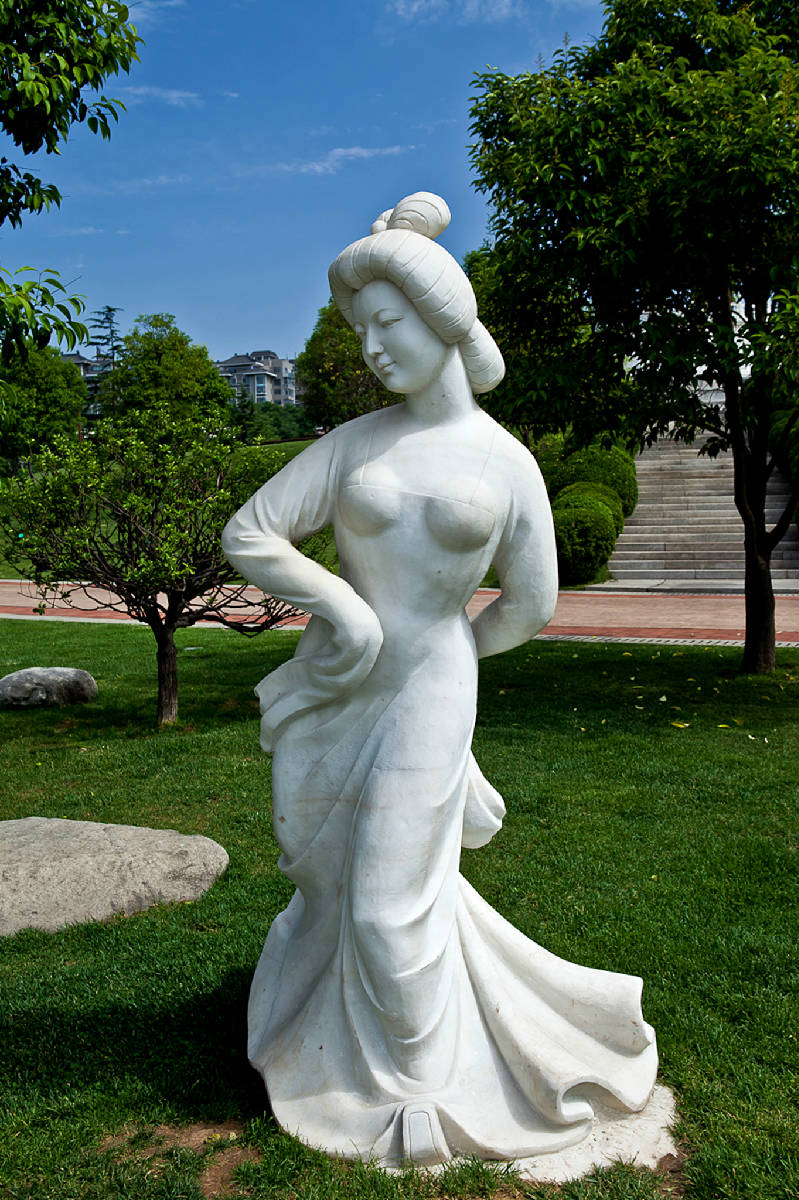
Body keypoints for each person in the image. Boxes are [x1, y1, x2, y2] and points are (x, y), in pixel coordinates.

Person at [221, 192, 658, 1167]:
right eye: (362, 331)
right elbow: (250, 532)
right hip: (340, 683)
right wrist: (344, 609)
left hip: (430, 688)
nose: (373, 348)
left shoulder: (505, 463)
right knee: (333, 880)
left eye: (389, 324)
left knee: (387, 903)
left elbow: (529, 604)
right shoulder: (354, 444)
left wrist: (445, 662)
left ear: (443, 323)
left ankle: (420, 1089)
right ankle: (340, 1042)